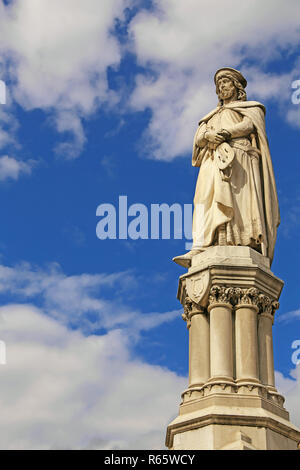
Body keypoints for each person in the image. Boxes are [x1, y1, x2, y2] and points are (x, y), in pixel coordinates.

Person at [174, 67, 280, 268]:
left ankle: (238, 239)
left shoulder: (251, 108)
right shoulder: (211, 115)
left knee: (237, 199)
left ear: (236, 86)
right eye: (219, 84)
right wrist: (206, 136)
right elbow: (199, 136)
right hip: (212, 160)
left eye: (226, 82)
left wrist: (225, 133)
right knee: (204, 198)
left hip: (239, 159)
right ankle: (202, 244)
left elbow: (250, 125)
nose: (221, 87)